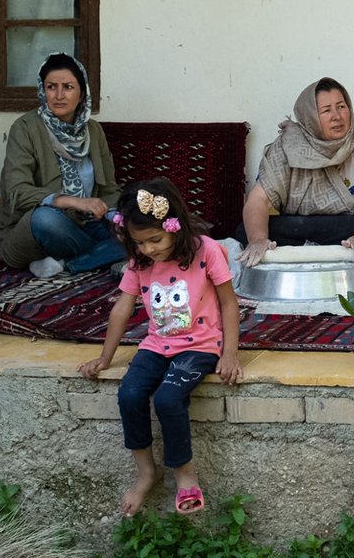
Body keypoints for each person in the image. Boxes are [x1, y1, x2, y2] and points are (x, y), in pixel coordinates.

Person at [78, 177, 242, 517]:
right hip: (156, 345)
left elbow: (229, 303)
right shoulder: (140, 262)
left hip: (200, 346)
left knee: (168, 398)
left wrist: (229, 354)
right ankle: (146, 473)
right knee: (130, 394)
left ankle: (185, 475)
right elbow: (123, 308)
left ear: (174, 226)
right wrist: (105, 358)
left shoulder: (207, 251)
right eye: (141, 242)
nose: (149, 249)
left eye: (155, 239)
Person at [235, 78, 354, 266]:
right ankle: (336, 254)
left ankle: (350, 249)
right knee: (247, 231)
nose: (337, 116)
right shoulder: (287, 145)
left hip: (349, 227)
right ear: (310, 117)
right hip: (299, 226)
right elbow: (258, 199)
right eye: (326, 110)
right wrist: (258, 239)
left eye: (341, 106)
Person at [0, 53, 124, 278]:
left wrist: (120, 220)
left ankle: (65, 264)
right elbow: (16, 192)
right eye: (51, 87)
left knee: (141, 232)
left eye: (67, 87)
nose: (58, 95)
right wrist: (70, 201)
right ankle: (114, 255)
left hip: (87, 226)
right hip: (35, 230)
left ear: (82, 92)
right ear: (42, 90)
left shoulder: (93, 131)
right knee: (46, 219)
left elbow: (109, 191)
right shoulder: (25, 128)